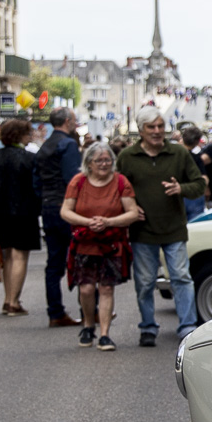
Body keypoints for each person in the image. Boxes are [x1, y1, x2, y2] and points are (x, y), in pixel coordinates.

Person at [114, 107, 204, 347]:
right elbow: (116, 189)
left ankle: (187, 326)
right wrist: (128, 208)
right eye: (151, 127)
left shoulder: (178, 153)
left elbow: (199, 184)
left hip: (174, 227)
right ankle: (147, 326)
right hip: (142, 230)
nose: (156, 131)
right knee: (144, 282)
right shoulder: (127, 157)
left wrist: (181, 189)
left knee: (181, 278)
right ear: (141, 130)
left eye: (160, 126)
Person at [59, 143, 138, 350]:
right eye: (99, 161)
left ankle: (104, 334)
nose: (104, 164)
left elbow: (132, 212)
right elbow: (66, 211)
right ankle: (88, 324)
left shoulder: (121, 182)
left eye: (108, 160)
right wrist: (88, 222)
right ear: (89, 163)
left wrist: (108, 222)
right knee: (85, 289)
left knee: (106, 288)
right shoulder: (79, 181)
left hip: (111, 244)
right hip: (85, 243)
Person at [0, 119, 40, 316]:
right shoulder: (29, 158)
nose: (30, 136)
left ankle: (7, 298)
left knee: (6, 256)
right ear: (19, 135)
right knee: (20, 256)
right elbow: (35, 188)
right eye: (27, 133)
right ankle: (14, 301)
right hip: (24, 213)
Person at [33, 108, 83, 327]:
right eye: (73, 119)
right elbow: (73, 179)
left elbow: (36, 181)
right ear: (67, 121)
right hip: (67, 206)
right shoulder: (68, 144)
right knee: (82, 258)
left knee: (53, 263)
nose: (75, 123)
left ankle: (55, 311)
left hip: (48, 205)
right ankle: (90, 309)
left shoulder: (44, 145)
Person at [179, 125, 207, 219]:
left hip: (177, 194)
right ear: (197, 141)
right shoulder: (196, 158)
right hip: (194, 196)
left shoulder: (174, 156)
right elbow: (204, 179)